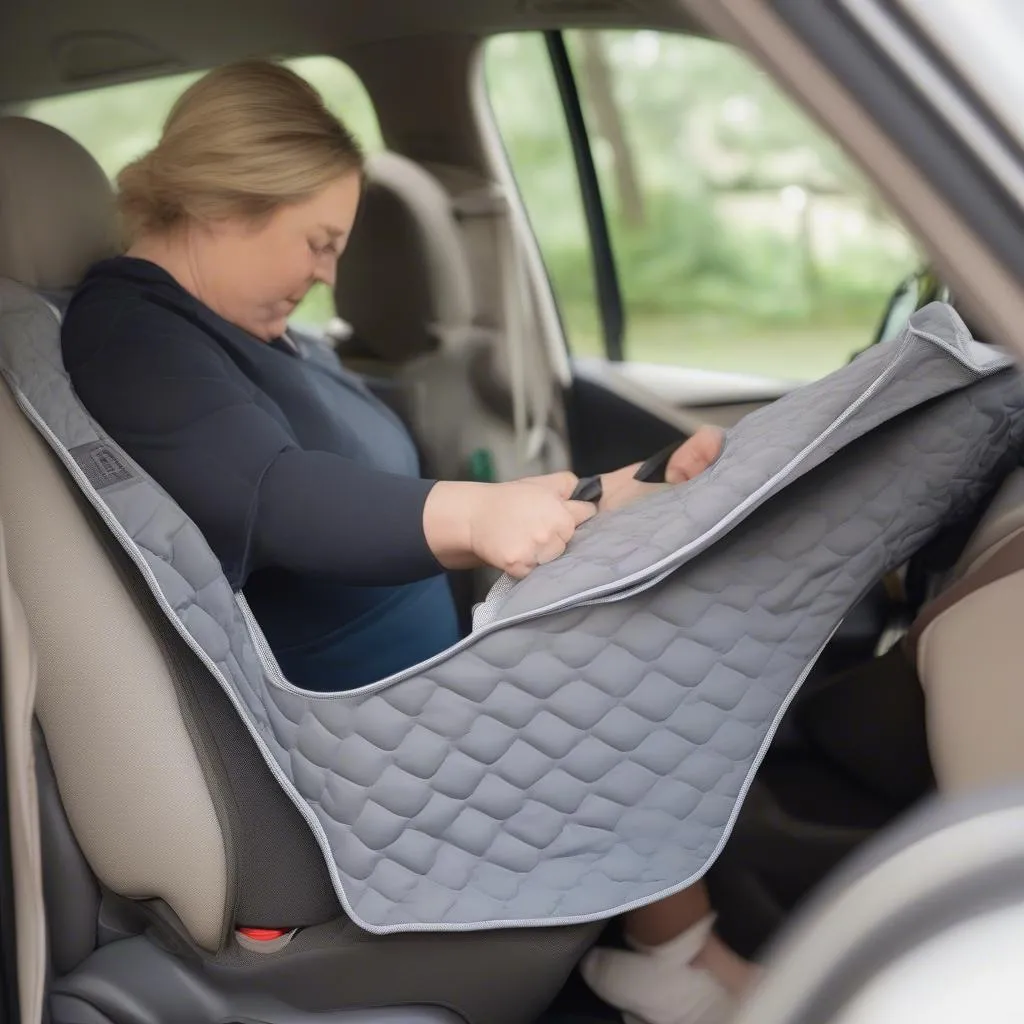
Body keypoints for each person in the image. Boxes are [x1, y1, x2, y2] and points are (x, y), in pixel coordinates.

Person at [60, 58, 742, 1024]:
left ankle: (672, 951)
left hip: (421, 692)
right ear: (222, 203)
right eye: (319, 240)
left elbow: (391, 494)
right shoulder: (131, 333)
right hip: (345, 745)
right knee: (632, 654)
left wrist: (629, 489)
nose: (330, 271)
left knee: (662, 606)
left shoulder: (264, 341)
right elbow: (280, 498)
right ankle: (677, 961)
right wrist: (474, 518)